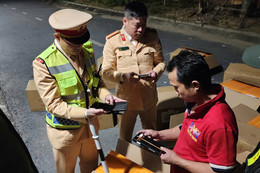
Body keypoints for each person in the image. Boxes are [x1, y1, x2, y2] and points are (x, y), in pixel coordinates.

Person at [33, 9, 124, 173]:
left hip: (91, 129)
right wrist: (85, 113)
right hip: (65, 133)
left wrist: (107, 96)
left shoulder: (87, 50)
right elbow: (54, 105)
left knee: (90, 168)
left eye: (81, 42)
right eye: (73, 44)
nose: (79, 47)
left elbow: (97, 83)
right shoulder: (43, 63)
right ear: (57, 37)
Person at [138, 50, 238, 173]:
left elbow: (221, 171)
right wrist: (160, 135)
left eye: (176, 87)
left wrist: (176, 160)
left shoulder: (220, 124)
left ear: (195, 85)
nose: (175, 92)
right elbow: (188, 129)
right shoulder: (195, 102)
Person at [101, 1, 166, 142]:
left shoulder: (152, 37)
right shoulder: (113, 41)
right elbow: (105, 71)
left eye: (144, 24)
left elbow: (161, 62)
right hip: (125, 99)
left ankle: (150, 162)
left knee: (151, 135)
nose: (141, 30)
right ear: (125, 21)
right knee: (124, 138)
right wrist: (123, 77)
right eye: (137, 25)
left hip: (148, 97)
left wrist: (156, 72)